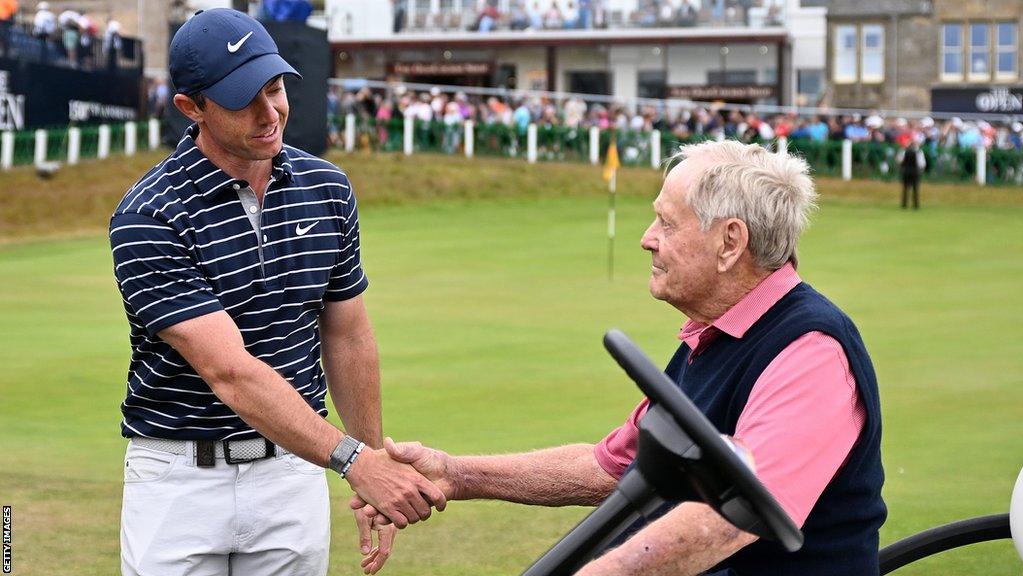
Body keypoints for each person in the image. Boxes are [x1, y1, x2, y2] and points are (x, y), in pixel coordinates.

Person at [355, 140, 886, 575]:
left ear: (730, 243)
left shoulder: (810, 352)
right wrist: (457, 473)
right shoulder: (711, 337)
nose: (646, 239)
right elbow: (614, 465)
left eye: (667, 224)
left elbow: (733, 517)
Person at [108, 9, 444, 576]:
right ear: (192, 108)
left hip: (292, 475)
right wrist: (355, 461)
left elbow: (347, 333)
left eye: (276, 88)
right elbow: (229, 371)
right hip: (178, 482)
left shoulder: (328, 188)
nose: (271, 113)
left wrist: (372, 470)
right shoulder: (148, 215)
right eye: (245, 100)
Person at [898, 141, 925, 210]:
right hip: (915, 171)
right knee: (915, 188)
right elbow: (921, 164)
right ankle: (915, 204)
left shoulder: (904, 151)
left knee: (905, 188)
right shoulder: (919, 152)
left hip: (906, 171)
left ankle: (904, 204)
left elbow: (900, 161)